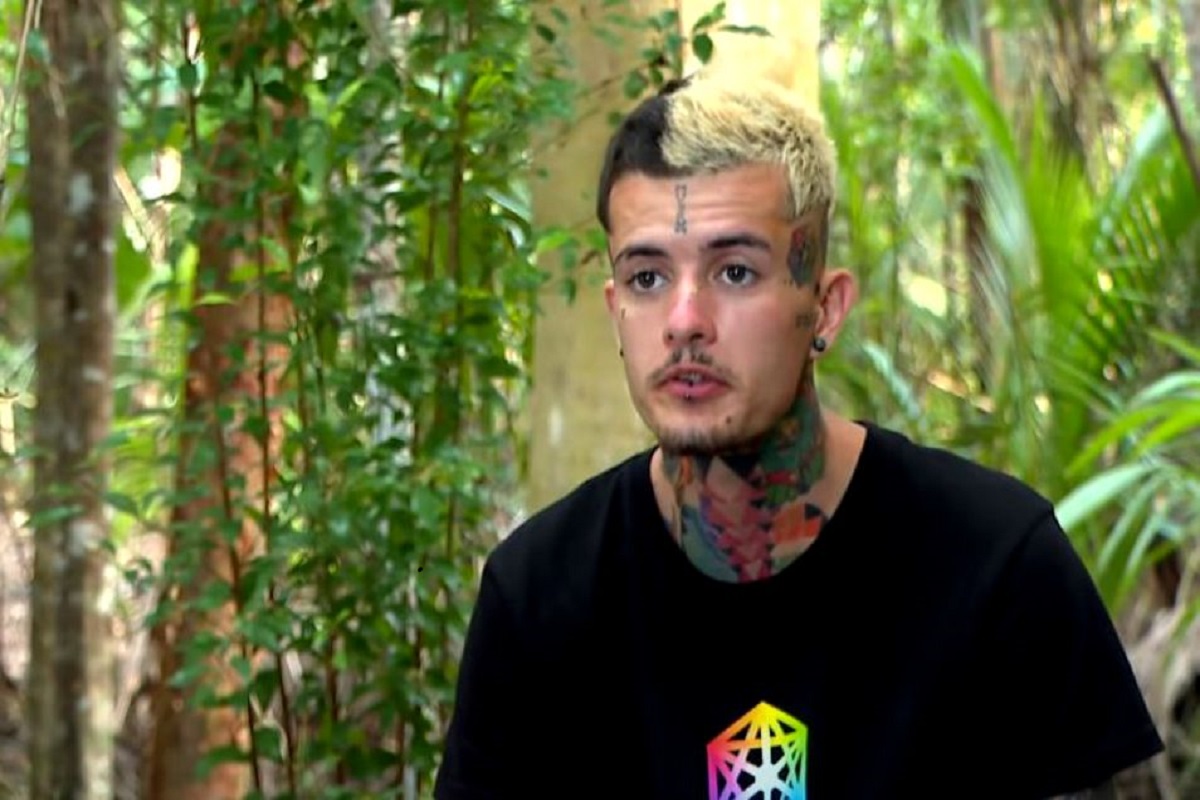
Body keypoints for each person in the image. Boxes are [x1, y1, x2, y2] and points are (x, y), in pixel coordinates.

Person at [434, 66, 1163, 799]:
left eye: (735, 272)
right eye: (647, 278)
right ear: (615, 309)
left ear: (825, 307)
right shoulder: (537, 596)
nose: (684, 321)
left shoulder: (998, 564)